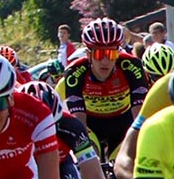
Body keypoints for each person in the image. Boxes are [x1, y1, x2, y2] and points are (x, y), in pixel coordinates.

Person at [60, 17, 148, 157]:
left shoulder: (132, 66)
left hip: (123, 122)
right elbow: (79, 119)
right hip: (91, 124)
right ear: (89, 54)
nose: (105, 60)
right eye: (100, 54)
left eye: (111, 53)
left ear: (118, 53)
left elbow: (140, 114)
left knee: (124, 161)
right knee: (89, 156)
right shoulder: (75, 72)